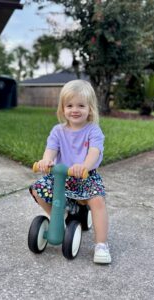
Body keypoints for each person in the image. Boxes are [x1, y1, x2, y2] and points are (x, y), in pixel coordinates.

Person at [29, 79, 111, 264]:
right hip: (60, 177)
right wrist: (46, 161)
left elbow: (94, 152)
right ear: (62, 108)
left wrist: (84, 165)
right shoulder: (58, 131)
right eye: (70, 105)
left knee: (97, 201)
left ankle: (101, 245)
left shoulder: (93, 130)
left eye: (81, 105)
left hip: (84, 176)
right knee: (37, 189)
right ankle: (61, 217)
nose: (75, 110)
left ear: (90, 109)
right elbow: (51, 149)